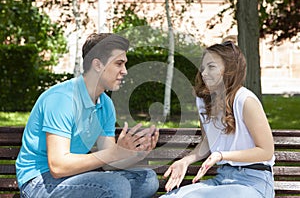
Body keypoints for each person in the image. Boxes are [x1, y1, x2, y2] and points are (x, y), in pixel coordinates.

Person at [16, 33, 160, 198]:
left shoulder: (105, 104)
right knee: (116, 186)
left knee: (147, 179)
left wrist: (135, 153)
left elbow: (109, 164)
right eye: (119, 64)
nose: (125, 71)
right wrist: (115, 152)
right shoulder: (62, 99)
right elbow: (57, 167)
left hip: (74, 177)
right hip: (39, 181)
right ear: (97, 65)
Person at [160, 41, 275, 198]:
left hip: (253, 183)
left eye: (211, 67)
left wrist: (222, 155)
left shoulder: (245, 100)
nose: (204, 73)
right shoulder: (203, 101)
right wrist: (185, 161)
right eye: (203, 68)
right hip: (222, 179)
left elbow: (266, 151)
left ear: (229, 70)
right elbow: (208, 143)